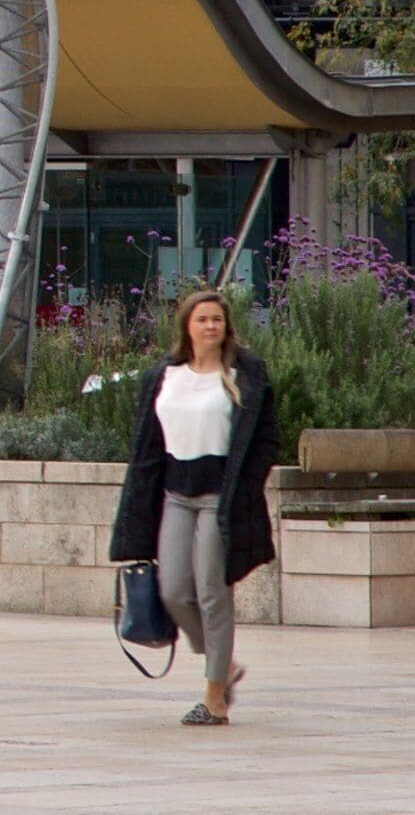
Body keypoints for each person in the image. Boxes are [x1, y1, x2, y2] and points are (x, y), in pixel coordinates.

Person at [109, 286, 279, 727]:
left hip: (219, 499)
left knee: (212, 593)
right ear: (187, 325)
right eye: (202, 319)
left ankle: (214, 697)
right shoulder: (163, 376)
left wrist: (246, 487)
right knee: (173, 591)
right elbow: (146, 446)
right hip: (175, 496)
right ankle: (223, 664)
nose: (210, 326)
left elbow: (266, 441)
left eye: (217, 319)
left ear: (227, 327)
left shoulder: (244, 374)